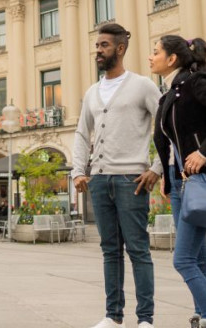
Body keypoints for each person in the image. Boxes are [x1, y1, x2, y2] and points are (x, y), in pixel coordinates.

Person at [71, 23, 162, 328]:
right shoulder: (92, 92)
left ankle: (145, 319)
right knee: (110, 251)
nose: (98, 51)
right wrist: (78, 171)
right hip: (99, 180)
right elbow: (82, 134)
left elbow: (167, 127)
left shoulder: (143, 85)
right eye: (97, 46)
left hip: (131, 180)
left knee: (138, 250)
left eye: (104, 46)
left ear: (120, 49)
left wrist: (156, 168)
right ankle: (113, 315)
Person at [150, 35, 206, 328]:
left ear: (172, 59)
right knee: (199, 257)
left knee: (183, 259)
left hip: (199, 178)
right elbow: (170, 140)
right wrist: (166, 174)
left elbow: (192, 140)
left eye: (156, 52)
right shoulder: (170, 92)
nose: (150, 57)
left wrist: (203, 152)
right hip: (179, 180)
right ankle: (202, 311)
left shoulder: (195, 83)